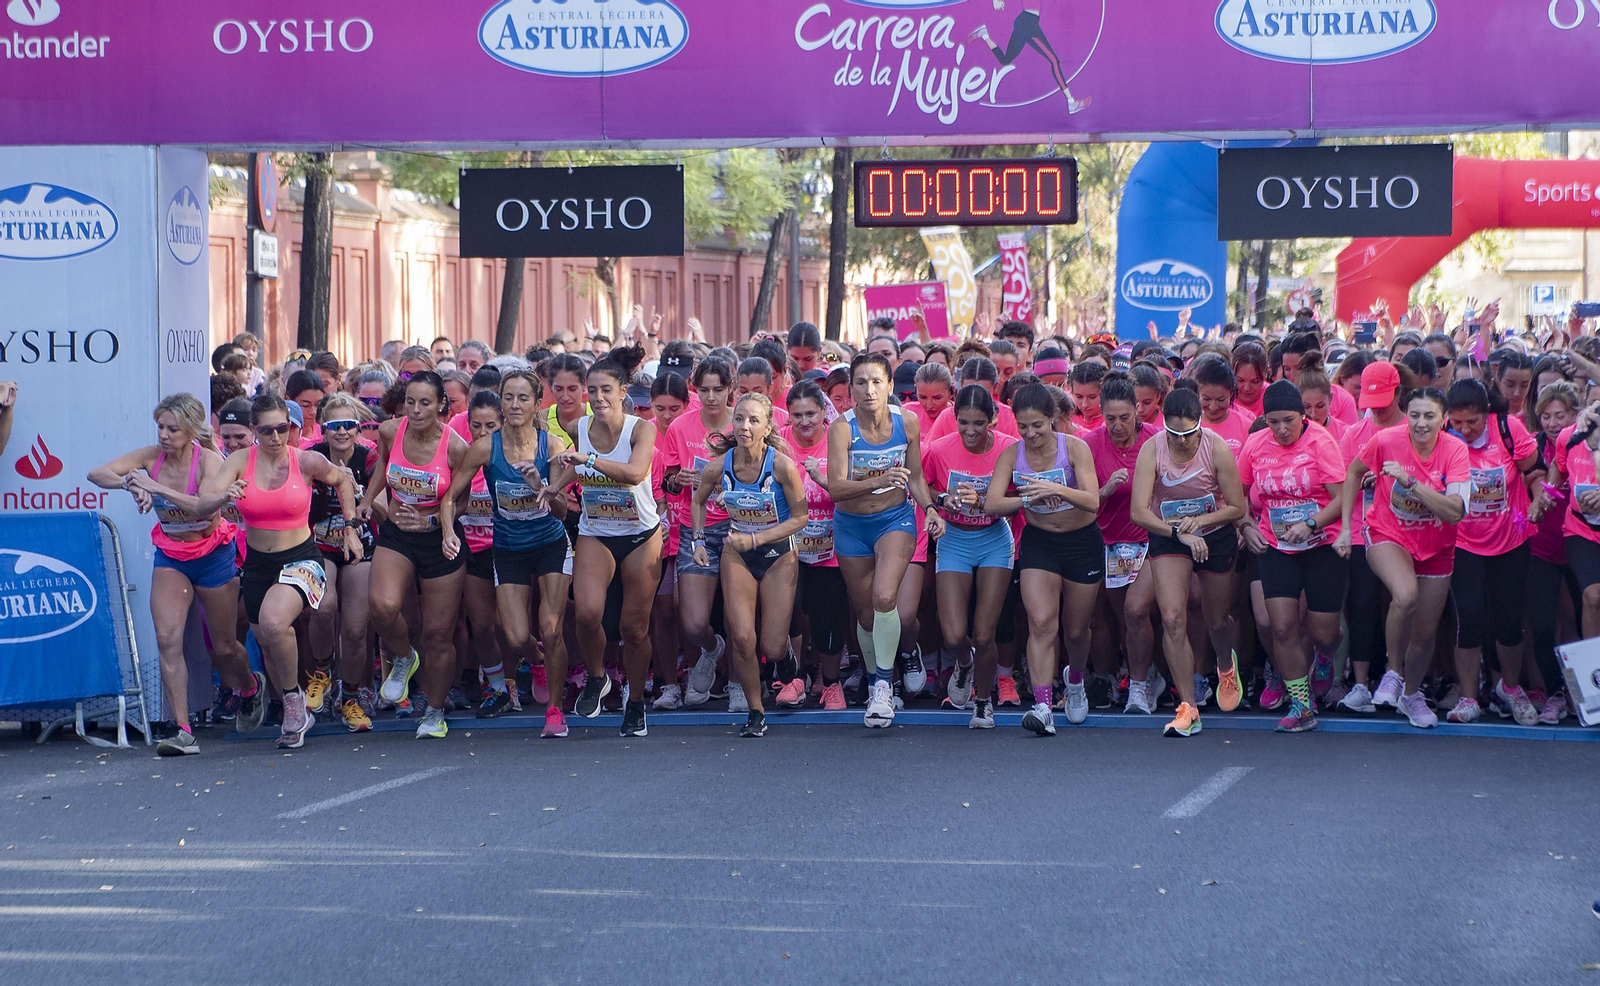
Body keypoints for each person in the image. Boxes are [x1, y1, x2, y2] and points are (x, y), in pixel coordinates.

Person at [87, 394, 260, 756]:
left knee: (225, 647)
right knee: (168, 639)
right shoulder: (152, 457)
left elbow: (204, 505)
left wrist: (156, 488)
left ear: (192, 430)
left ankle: (249, 689)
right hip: (172, 555)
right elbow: (97, 473)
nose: (164, 435)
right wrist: (131, 484)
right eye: (161, 427)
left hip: (213, 555)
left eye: (172, 429)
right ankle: (183, 729)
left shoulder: (210, 461)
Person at [207, 393, 362, 749]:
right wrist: (220, 497)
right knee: (268, 641)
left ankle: (294, 703)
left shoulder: (306, 461)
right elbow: (207, 499)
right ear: (253, 430)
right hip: (259, 564)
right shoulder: (238, 462)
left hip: (303, 559)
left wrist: (351, 528)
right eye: (267, 430)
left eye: (283, 428)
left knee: (276, 622)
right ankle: (289, 700)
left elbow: (341, 481)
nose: (276, 437)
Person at [444, 370, 574, 736]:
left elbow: (563, 511)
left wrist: (541, 486)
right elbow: (453, 494)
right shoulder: (486, 447)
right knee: (517, 638)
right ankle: (539, 664)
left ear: (537, 405)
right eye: (509, 398)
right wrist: (444, 526)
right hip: (509, 549)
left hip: (549, 544)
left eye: (523, 398)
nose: (515, 405)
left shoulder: (553, 447)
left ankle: (554, 710)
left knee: (550, 629)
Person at [544, 345, 663, 737]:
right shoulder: (579, 428)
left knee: (634, 629)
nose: (597, 398)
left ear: (623, 390)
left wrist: (588, 461)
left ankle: (636, 703)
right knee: (588, 613)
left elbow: (633, 473)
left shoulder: (641, 429)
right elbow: (568, 474)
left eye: (605, 390)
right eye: (591, 390)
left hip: (641, 535)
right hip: (597, 531)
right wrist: (550, 487)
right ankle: (597, 678)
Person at [1334, 388, 1469, 729]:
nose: (1420, 423)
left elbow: (1454, 513)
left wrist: (1412, 483)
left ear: (1444, 419)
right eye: (1414, 415)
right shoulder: (1385, 441)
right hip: (1387, 533)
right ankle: (1393, 673)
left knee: (1425, 634)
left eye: (1429, 416)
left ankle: (1410, 695)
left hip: (1437, 546)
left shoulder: (1455, 449)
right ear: (1405, 415)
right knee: (1405, 595)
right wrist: (1346, 529)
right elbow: (1352, 473)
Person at [827, 353, 945, 728]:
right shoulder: (842, 430)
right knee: (865, 615)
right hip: (851, 526)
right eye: (861, 382)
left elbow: (915, 478)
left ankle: (882, 686)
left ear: (891, 386)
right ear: (851, 388)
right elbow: (836, 488)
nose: (869, 389)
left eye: (877, 381)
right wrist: (877, 480)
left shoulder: (907, 422)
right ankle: (890, 667)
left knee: (883, 598)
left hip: (895, 520)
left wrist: (929, 509)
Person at [1129, 388, 1247, 737]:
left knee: (1216, 619)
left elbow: (1237, 507)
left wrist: (1204, 523)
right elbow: (1138, 511)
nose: (1180, 442)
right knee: (1172, 617)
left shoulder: (1216, 447)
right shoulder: (1153, 449)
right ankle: (1188, 706)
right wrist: (1178, 531)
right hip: (1170, 533)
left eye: (1187, 434)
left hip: (1214, 532)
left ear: (1200, 425)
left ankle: (1226, 665)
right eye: (1173, 434)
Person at [986, 383, 1101, 735]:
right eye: (1023, 426)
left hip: (1082, 543)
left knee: (1076, 630)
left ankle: (1076, 680)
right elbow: (992, 505)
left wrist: (1054, 488)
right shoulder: (1012, 454)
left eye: (1037, 425)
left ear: (1053, 419)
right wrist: (1025, 500)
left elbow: (1092, 501)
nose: (1030, 433)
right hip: (1039, 543)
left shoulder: (1075, 448)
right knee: (1041, 622)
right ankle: (1043, 704)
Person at [362, 370, 472, 740]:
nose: (417, 410)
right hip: (398, 534)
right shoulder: (391, 431)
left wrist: (432, 522)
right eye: (410, 402)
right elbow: (383, 465)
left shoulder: (456, 448)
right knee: (381, 606)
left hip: (440, 540)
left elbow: (464, 501)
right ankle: (404, 658)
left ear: (441, 404)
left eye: (425, 403)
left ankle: (435, 710)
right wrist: (368, 499)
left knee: (438, 633)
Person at [690, 394, 807, 737]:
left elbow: (800, 518)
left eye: (754, 420)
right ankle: (756, 711)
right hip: (737, 554)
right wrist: (698, 541)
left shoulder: (782, 465)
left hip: (778, 556)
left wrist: (757, 538)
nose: (744, 426)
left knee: (769, 646)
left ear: (768, 427)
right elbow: (698, 500)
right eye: (739, 419)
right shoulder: (719, 466)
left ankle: (784, 656)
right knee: (742, 637)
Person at [1236, 381, 1348, 733]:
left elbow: (1342, 498)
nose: (1282, 429)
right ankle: (1301, 705)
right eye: (1273, 422)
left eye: (1289, 420)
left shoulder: (1320, 443)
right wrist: (1246, 525)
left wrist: (1312, 523)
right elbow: (1236, 492)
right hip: (1276, 546)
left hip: (1320, 547)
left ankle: (1326, 658)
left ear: (1303, 415)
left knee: (1323, 632)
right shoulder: (1255, 445)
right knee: (1281, 626)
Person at [1442, 378, 1537, 724]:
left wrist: (1540, 497)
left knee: (1509, 621)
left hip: (1510, 539)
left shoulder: (1508, 428)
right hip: (1464, 542)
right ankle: (1469, 696)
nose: (1465, 429)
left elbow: (1534, 470)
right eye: (1457, 422)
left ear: (1487, 414)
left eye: (1473, 422)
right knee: (1467, 616)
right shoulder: (1442, 438)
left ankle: (1509, 688)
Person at [924, 385, 1016, 728]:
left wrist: (988, 503)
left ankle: (983, 701)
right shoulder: (939, 448)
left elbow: (1019, 492)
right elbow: (924, 484)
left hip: (994, 538)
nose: (970, 431)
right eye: (963, 422)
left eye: (979, 423)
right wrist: (940, 500)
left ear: (992, 420)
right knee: (952, 634)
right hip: (954, 539)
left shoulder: (1009, 447)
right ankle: (964, 664)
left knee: (984, 632)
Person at [1332, 360, 1413, 714]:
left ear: (1398, 393)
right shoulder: (1355, 434)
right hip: (1366, 530)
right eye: (1370, 402)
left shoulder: (1416, 427)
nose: (1376, 410)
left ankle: (1404, 678)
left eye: (1383, 401)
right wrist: (1347, 530)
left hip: (1410, 530)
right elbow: (1348, 479)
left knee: (1405, 602)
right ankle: (1362, 682)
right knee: (1363, 601)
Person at [1081, 374, 1166, 712]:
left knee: (1136, 611)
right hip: (1104, 542)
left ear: (1138, 412)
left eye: (1125, 418)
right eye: (1110, 419)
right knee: (1107, 616)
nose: (1117, 426)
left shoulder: (1156, 441)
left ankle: (1141, 685)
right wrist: (1104, 491)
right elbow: (1081, 500)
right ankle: (1111, 677)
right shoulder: (1089, 445)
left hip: (1147, 542)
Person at [306, 393, 380, 732]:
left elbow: (387, 512)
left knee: (354, 629)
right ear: (323, 430)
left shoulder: (369, 460)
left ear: (358, 429)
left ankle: (350, 697)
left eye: (349, 426)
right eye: (335, 426)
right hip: (319, 544)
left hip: (360, 546)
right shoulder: (311, 459)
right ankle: (322, 671)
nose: (342, 433)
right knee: (323, 608)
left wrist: (358, 491)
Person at [781, 380, 849, 710]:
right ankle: (793, 679)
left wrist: (824, 481)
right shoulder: (779, 445)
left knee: (827, 617)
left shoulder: (837, 442)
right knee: (789, 614)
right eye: (797, 415)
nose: (805, 421)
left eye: (811, 413)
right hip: (789, 548)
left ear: (824, 412)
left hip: (830, 549)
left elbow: (851, 492)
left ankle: (832, 685)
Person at [1524, 381, 1582, 724]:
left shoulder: (1589, 446)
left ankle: (1581, 691)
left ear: (1575, 415)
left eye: (1560, 415)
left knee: (1576, 621)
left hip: (1581, 545)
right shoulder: (1532, 447)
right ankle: (1555, 692)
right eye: (1545, 416)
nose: (1552, 423)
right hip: (1541, 547)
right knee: (1543, 627)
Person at [968, 1, 1091, 113]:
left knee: (1005, 60)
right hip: (1028, 23)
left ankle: (984, 35)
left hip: (1025, 22)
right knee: (1054, 61)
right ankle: (1071, 103)